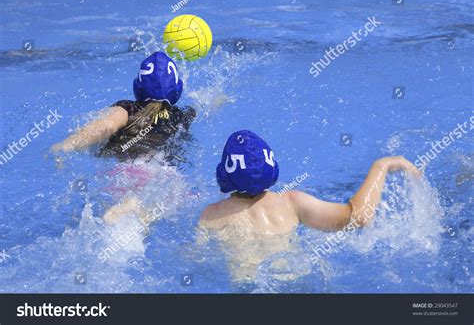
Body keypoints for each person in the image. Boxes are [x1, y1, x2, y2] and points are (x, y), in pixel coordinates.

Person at [198, 130, 421, 280]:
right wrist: (381, 166)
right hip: (294, 280)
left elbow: (196, 258)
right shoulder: (291, 203)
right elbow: (360, 217)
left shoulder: (211, 215)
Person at [52, 51, 196, 162]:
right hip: (165, 174)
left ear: (138, 86)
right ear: (177, 89)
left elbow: (107, 127)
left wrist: (66, 146)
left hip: (130, 171)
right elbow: (205, 107)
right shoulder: (181, 116)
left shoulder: (128, 109)